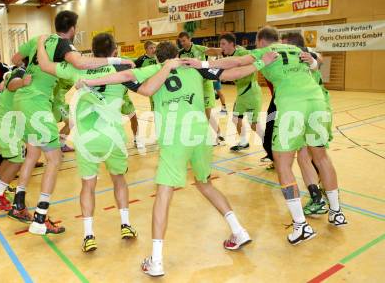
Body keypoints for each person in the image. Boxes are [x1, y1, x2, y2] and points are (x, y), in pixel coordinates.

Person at [77, 41, 276, 277]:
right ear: (177, 54)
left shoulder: (153, 69)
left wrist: (89, 81)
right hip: (201, 134)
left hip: (175, 137)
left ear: (157, 59)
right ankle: (239, 230)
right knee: (204, 183)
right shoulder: (194, 66)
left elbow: (127, 76)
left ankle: (157, 260)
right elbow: (234, 69)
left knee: (163, 194)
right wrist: (262, 62)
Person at [183, 26, 347, 245]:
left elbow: (235, 63)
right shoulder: (296, 49)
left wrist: (203, 64)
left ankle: (301, 225)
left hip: (293, 105)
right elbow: (319, 58)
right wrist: (315, 60)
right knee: (321, 157)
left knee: (283, 163)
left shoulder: (266, 51)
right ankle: (336, 212)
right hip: (318, 102)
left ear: (260, 42)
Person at [8, 10, 134, 235]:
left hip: (21, 100)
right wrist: (120, 61)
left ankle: (19, 202)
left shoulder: (41, 41)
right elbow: (81, 62)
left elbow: (17, 60)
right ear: (73, 29)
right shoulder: (68, 48)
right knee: (55, 159)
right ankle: (39, 218)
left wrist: (35, 52)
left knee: (33, 153)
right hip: (40, 104)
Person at [37, 33, 138, 252]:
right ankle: (126, 225)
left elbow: (44, 64)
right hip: (113, 137)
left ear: (92, 52)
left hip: (86, 139)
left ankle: (89, 236)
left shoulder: (77, 69)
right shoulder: (122, 68)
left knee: (87, 186)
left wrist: (40, 41)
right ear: (114, 52)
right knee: (119, 180)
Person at [282, 32, 329, 216]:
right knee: (310, 155)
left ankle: (321, 197)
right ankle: (324, 193)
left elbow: (319, 60)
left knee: (314, 156)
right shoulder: (301, 58)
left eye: (284, 44)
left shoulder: (304, 57)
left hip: (315, 107)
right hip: (313, 106)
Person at [0, 67, 34, 211]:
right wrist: (23, 82)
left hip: (8, 125)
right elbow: (12, 83)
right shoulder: (20, 74)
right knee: (19, 157)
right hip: (4, 124)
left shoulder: (20, 75)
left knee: (10, 159)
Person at [218, 33, 263, 152]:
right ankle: (243, 142)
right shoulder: (227, 57)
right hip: (241, 93)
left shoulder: (242, 53)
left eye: (223, 44)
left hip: (251, 92)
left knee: (254, 125)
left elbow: (255, 60)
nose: (221, 47)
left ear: (232, 44)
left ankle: (269, 148)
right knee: (235, 119)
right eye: (220, 44)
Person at [177, 32, 224, 145]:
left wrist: (223, 50)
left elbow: (213, 50)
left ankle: (216, 136)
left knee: (207, 112)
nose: (182, 43)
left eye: (184, 40)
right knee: (197, 112)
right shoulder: (180, 54)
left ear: (189, 39)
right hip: (192, 86)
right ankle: (217, 134)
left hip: (205, 84)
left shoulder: (199, 48)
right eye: (181, 41)